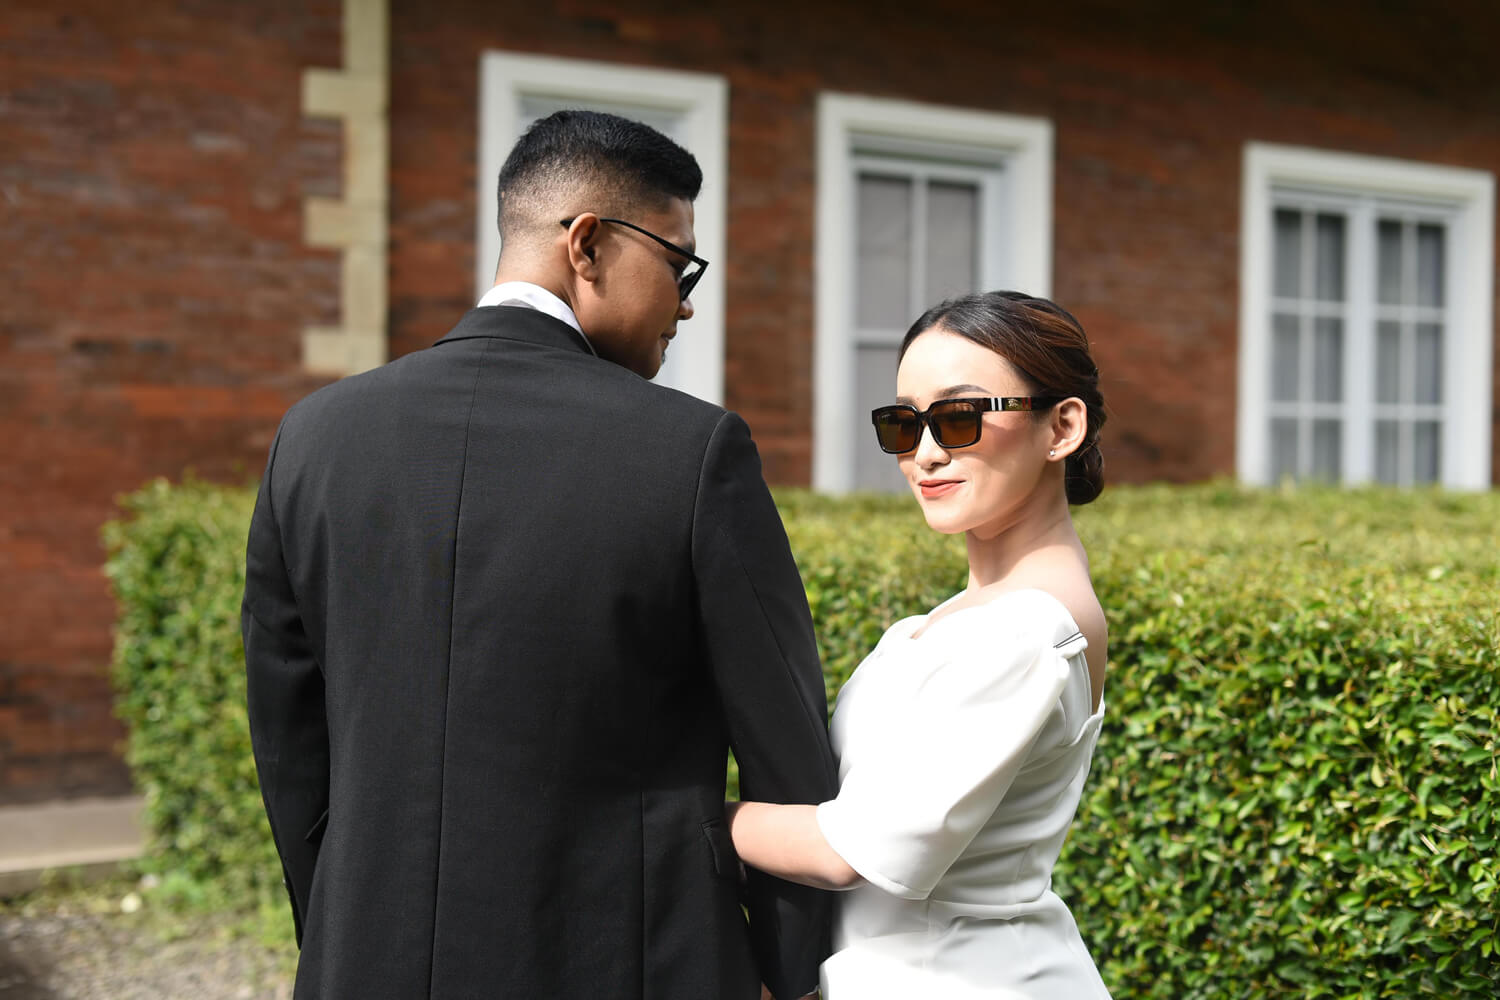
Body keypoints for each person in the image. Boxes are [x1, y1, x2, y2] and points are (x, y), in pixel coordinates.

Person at [241, 110, 836, 1000]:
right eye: (679, 265)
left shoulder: (314, 437)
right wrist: (789, 974)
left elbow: (290, 743)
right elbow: (785, 749)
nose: (685, 302)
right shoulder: (692, 452)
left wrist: (338, 931)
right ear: (587, 245)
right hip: (635, 966)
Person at [726, 290, 1112, 998]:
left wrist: (676, 817)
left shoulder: (1027, 630)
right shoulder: (969, 617)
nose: (925, 455)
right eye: (905, 423)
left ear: (1062, 426)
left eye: (961, 418)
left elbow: (853, 849)